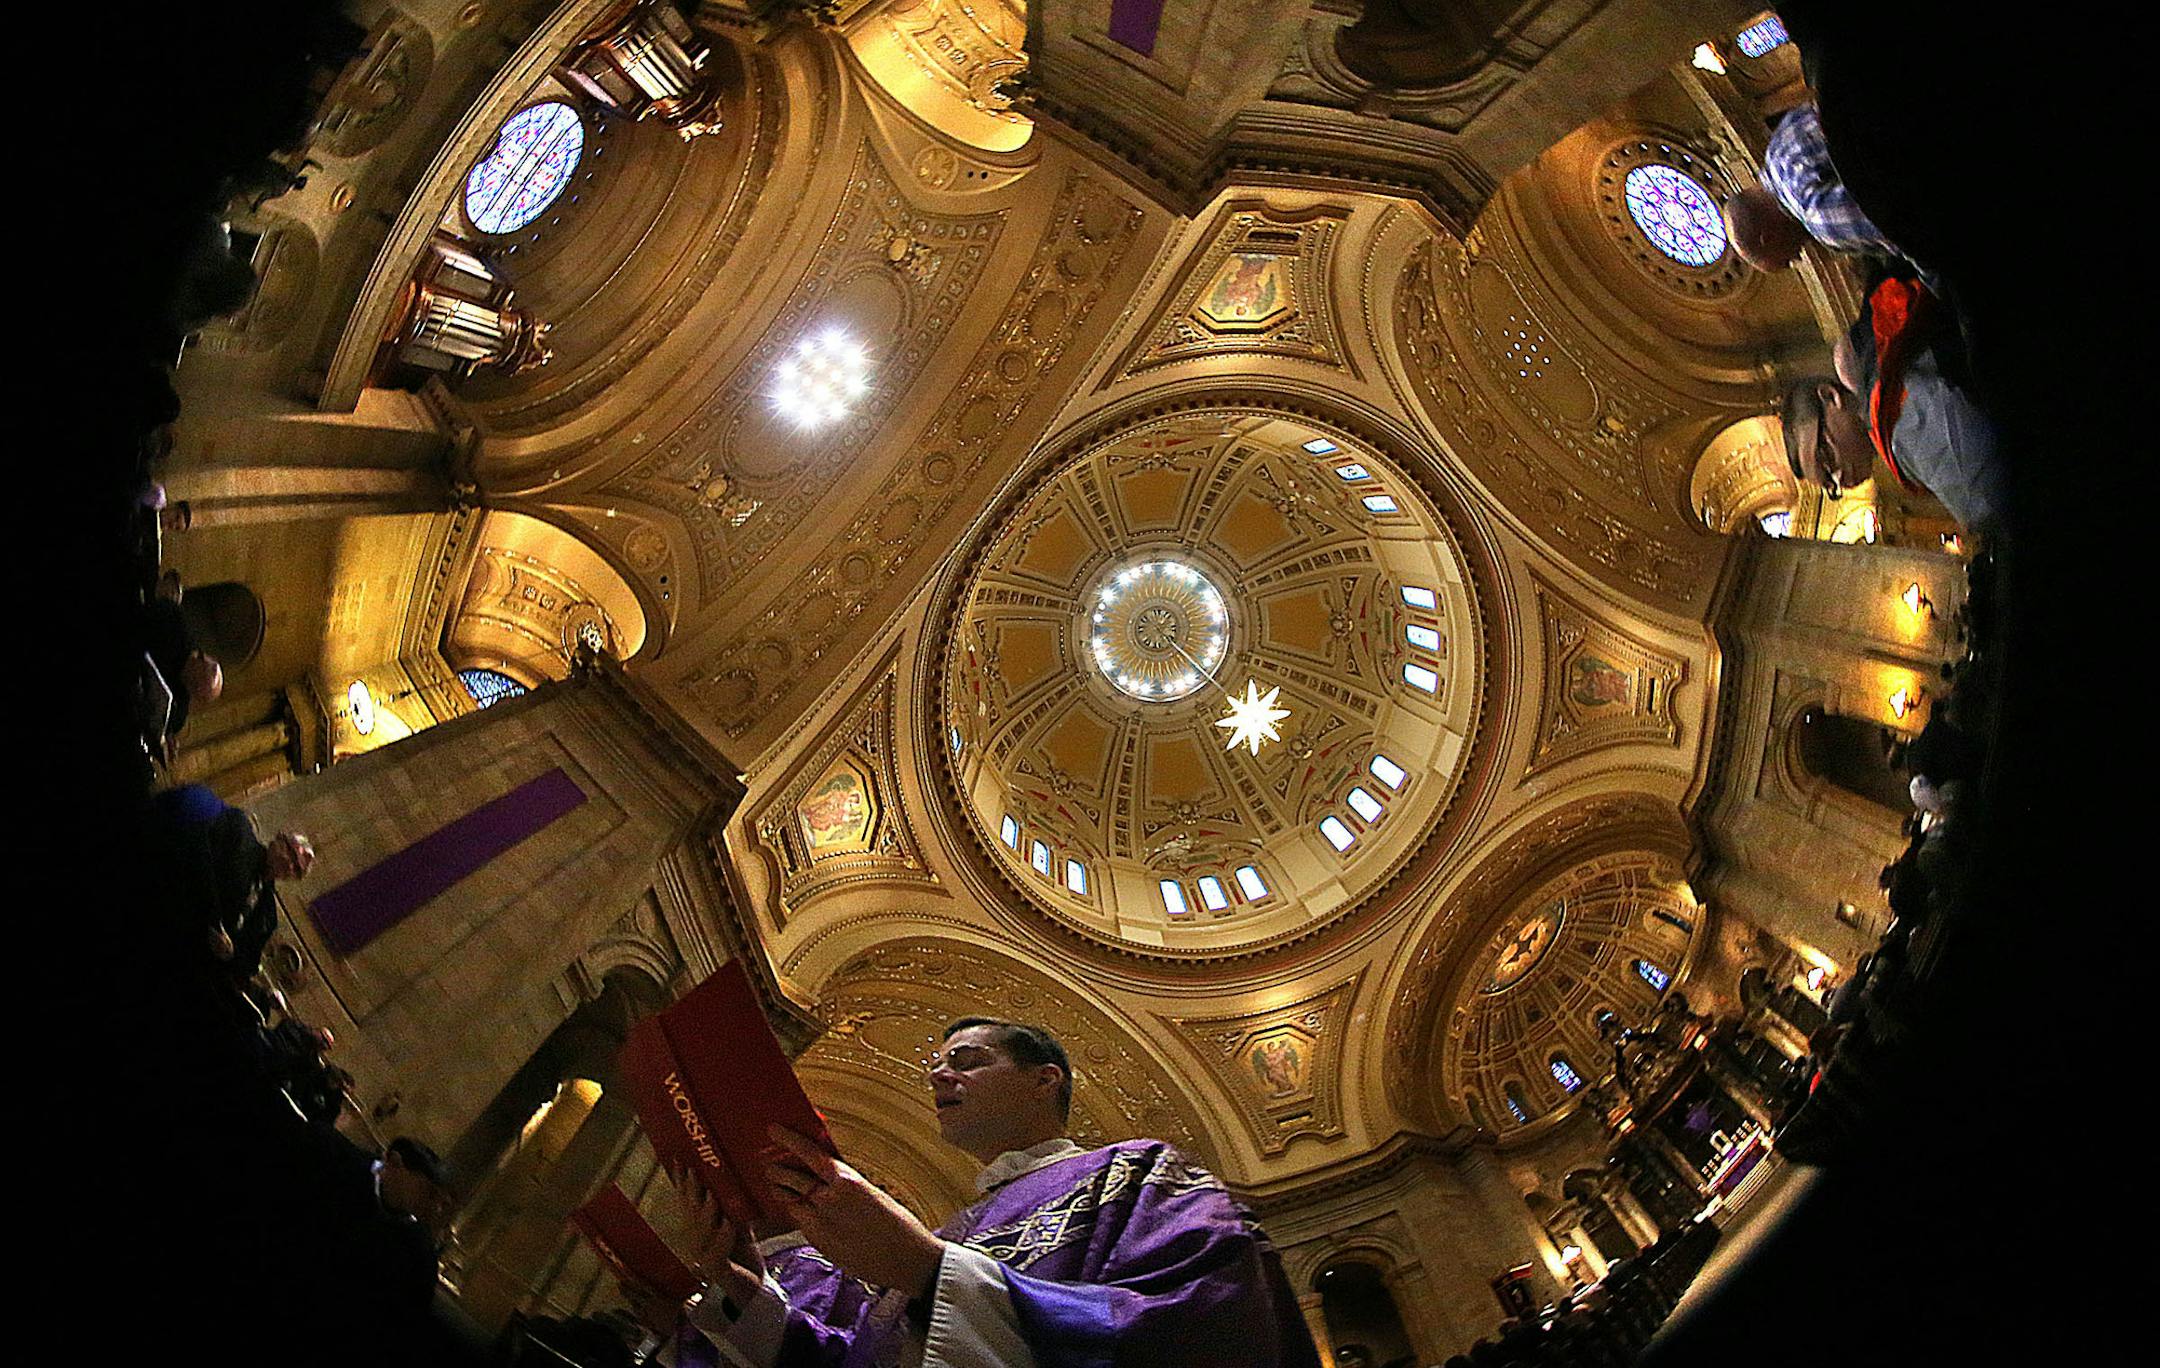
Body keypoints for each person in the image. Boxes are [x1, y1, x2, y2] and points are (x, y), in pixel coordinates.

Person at [669, 1016, 1321, 1368]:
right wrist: (752, 1299)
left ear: (1045, 1081)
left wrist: (928, 1271)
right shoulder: (954, 1228)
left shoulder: (1139, 1174)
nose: (938, 1074)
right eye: (938, 1064)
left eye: (968, 1060)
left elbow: (1204, 1323)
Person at [1723, 102, 1905, 271]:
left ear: (1768, 239)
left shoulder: (1820, 219)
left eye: (1787, 261)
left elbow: (1913, 227)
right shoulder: (1781, 139)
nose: (1797, 257)